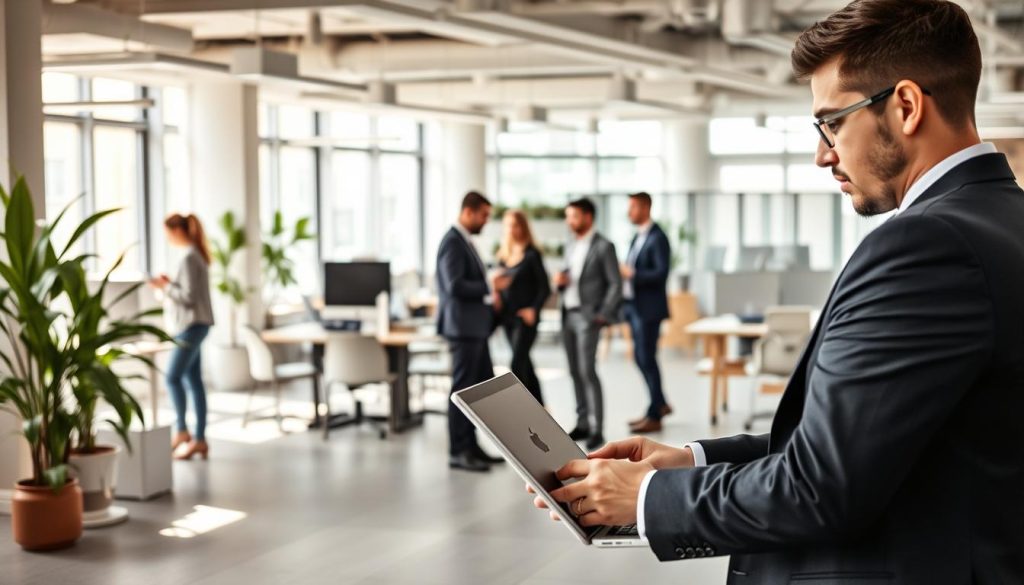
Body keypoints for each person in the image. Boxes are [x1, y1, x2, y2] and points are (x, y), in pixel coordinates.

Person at [531, 1, 1024, 582]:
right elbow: (873, 441)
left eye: (832, 122)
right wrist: (691, 460)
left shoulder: (926, 244)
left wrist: (644, 497)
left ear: (907, 106)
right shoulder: (1004, 218)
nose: (822, 154)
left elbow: (820, 487)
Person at [436, 191, 507, 473]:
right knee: (462, 390)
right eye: (483, 215)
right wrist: (490, 286)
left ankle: (471, 446)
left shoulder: (463, 240)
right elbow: (454, 286)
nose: (486, 221)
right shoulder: (452, 242)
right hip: (463, 328)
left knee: (476, 391)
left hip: (474, 328)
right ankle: (458, 451)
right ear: (468, 211)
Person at [554, 198, 622, 452]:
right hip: (567, 315)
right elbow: (569, 278)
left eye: (573, 216)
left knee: (587, 371)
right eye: (568, 216)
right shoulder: (570, 244)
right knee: (574, 370)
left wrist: (603, 314)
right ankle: (582, 422)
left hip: (588, 318)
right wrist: (560, 283)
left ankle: (597, 428)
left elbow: (615, 283)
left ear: (588, 217)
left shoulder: (604, 246)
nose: (569, 221)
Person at [149, 214, 215, 461]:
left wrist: (164, 287)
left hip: (191, 325)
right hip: (197, 324)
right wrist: (170, 284)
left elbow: (187, 297)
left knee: (172, 378)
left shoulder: (188, 257)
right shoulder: (195, 254)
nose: (167, 238)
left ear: (177, 230)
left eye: (167, 233)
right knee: (193, 380)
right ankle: (199, 439)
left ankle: (182, 431)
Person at [619, 192, 673, 434]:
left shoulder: (658, 237)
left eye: (633, 207)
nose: (629, 212)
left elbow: (661, 273)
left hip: (649, 309)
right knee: (640, 358)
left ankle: (655, 414)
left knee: (646, 358)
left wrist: (632, 274)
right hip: (634, 306)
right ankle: (658, 403)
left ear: (645, 208)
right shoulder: (637, 237)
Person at [494, 209, 551, 406]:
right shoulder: (503, 256)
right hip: (507, 318)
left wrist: (534, 309)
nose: (512, 229)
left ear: (523, 227)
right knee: (525, 363)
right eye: (508, 226)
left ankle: (522, 410)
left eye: (516, 225)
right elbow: (500, 287)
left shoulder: (532, 254)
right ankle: (541, 408)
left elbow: (544, 288)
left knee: (517, 364)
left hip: (525, 319)